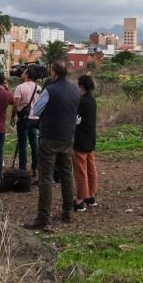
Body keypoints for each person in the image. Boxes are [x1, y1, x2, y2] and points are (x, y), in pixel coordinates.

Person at [23, 60, 79, 230]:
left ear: (54, 72)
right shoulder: (74, 88)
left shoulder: (50, 90)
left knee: (46, 177)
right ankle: (68, 210)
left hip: (49, 138)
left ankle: (43, 216)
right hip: (67, 136)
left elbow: (36, 111)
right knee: (66, 174)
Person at [72, 73, 99, 211]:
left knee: (80, 170)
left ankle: (80, 200)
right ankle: (91, 196)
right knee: (91, 168)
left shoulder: (81, 101)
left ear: (81, 86)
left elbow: (75, 120)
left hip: (80, 140)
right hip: (90, 138)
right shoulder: (92, 100)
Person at [12, 71, 40, 175]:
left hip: (24, 119)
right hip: (35, 118)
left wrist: (13, 117)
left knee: (22, 144)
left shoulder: (20, 87)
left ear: (27, 75)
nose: (21, 74)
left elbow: (16, 104)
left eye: (24, 72)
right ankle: (35, 167)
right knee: (34, 144)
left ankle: (23, 169)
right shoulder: (39, 87)